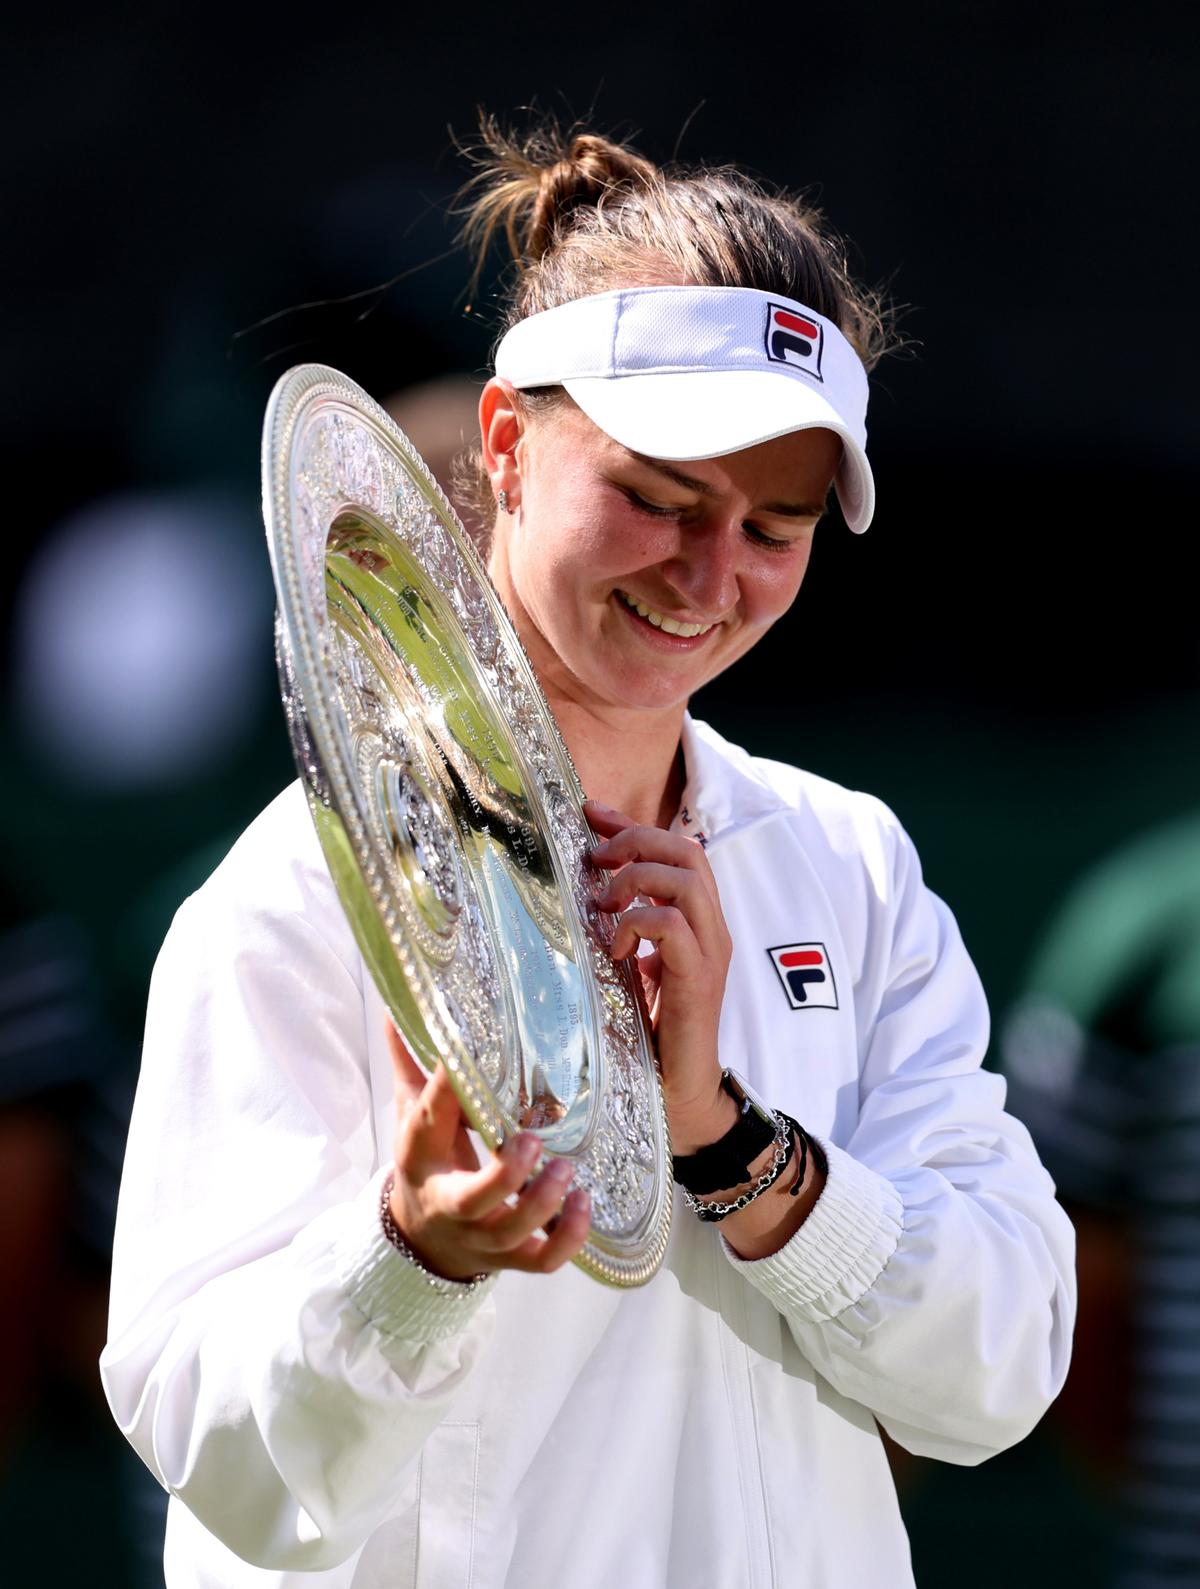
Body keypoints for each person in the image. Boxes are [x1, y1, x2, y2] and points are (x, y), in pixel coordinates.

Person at [100, 121, 1076, 1588]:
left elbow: (1005, 1369)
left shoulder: (852, 866)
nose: (708, 575)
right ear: (504, 442)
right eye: (659, 498)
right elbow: (229, 1467)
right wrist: (415, 1260)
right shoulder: (293, 895)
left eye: (774, 525)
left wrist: (734, 1146)